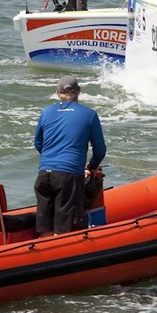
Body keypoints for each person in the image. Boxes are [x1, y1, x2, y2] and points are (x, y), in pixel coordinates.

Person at [33, 75, 107, 236]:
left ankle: (44, 257)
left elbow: (38, 143)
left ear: (58, 93)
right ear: (79, 91)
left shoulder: (46, 112)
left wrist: (51, 159)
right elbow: (100, 150)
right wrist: (92, 166)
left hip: (44, 174)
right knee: (63, 231)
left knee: (45, 229)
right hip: (68, 176)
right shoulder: (89, 114)